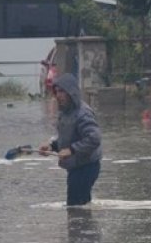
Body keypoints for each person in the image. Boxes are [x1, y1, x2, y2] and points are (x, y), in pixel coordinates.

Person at [38, 73, 103, 207]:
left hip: (86, 167)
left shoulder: (83, 113)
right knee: (77, 208)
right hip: (76, 166)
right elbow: (66, 138)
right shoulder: (65, 113)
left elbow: (94, 137)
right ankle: (84, 227)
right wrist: (51, 146)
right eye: (57, 91)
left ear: (71, 92)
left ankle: (82, 227)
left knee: (75, 207)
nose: (58, 95)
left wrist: (72, 150)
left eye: (62, 91)